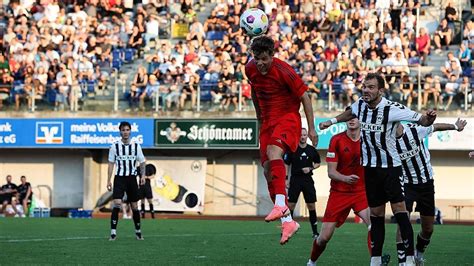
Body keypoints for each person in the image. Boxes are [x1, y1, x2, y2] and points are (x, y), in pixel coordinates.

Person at [319, 73, 437, 265]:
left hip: (391, 168)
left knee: (400, 211)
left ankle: (408, 258)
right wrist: (331, 122)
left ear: (380, 91)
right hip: (370, 169)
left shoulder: (392, 109)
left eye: (371, 87)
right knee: (376, 215)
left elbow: (421, 120)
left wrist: (429, 118)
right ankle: (375, 259)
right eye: (364, 86)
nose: (366, 90)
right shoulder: (360, 105)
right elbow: (350, 112)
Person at [245, 36, 318, 245]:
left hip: (287, 118)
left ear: (272, 56)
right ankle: (288, 221)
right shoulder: (250, 69)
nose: (260, 63)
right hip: (267, 121)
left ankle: (279, 204)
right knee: (268, 170)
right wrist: (259, 118)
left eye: (264, 59)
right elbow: (254, 92)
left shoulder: (284, 70)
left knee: (274, 153)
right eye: (257, 58)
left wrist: (311, 128)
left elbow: (305, 97)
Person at [394, 118, 467, 265]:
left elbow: (435, 127)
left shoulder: (414, 130)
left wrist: (455, 126)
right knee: (403, 222)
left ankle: (418, 254)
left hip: (426, 184)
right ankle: (402, 261)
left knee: (428, 229)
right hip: (406, 185)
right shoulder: (387, 141)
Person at [308, 117, 371, 266]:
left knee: (374, 224)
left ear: (361, 120)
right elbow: (331, 172)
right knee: (324, 237)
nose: (351, 120)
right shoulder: (336, 140)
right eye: (348, 117)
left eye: (355, 117)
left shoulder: (368, 140)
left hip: (360, 192)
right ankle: (311, 262)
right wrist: (345, 178)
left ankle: (376, 261)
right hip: (339, 193)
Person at [107, 121, 146, 241]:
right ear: (120, 132)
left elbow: (142, 161)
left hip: (132, 178)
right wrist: (108, 180)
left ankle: (138, 231)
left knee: (134, 206)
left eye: (127, 130)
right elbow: (111, 163)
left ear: (130, 131)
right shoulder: (114, 146)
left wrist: (143, 176)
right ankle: (113, 232)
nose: (125, 132)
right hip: (119, 178)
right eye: (123, 130)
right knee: (117, 203)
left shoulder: (136, 146)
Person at [284, 128, 321, 238]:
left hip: (307, 180)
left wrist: (310, 168)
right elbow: (286, 164)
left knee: (311, 205)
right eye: (301, 135)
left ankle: (315, 232)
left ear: (307, 136)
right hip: (295, 179)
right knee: (290, 205)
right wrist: (286, 178)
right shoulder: (292, 149)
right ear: (298, 136)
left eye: (305, 135)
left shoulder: (311, 150)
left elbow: (318, 163)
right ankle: (287, 229)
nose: (303, 137)